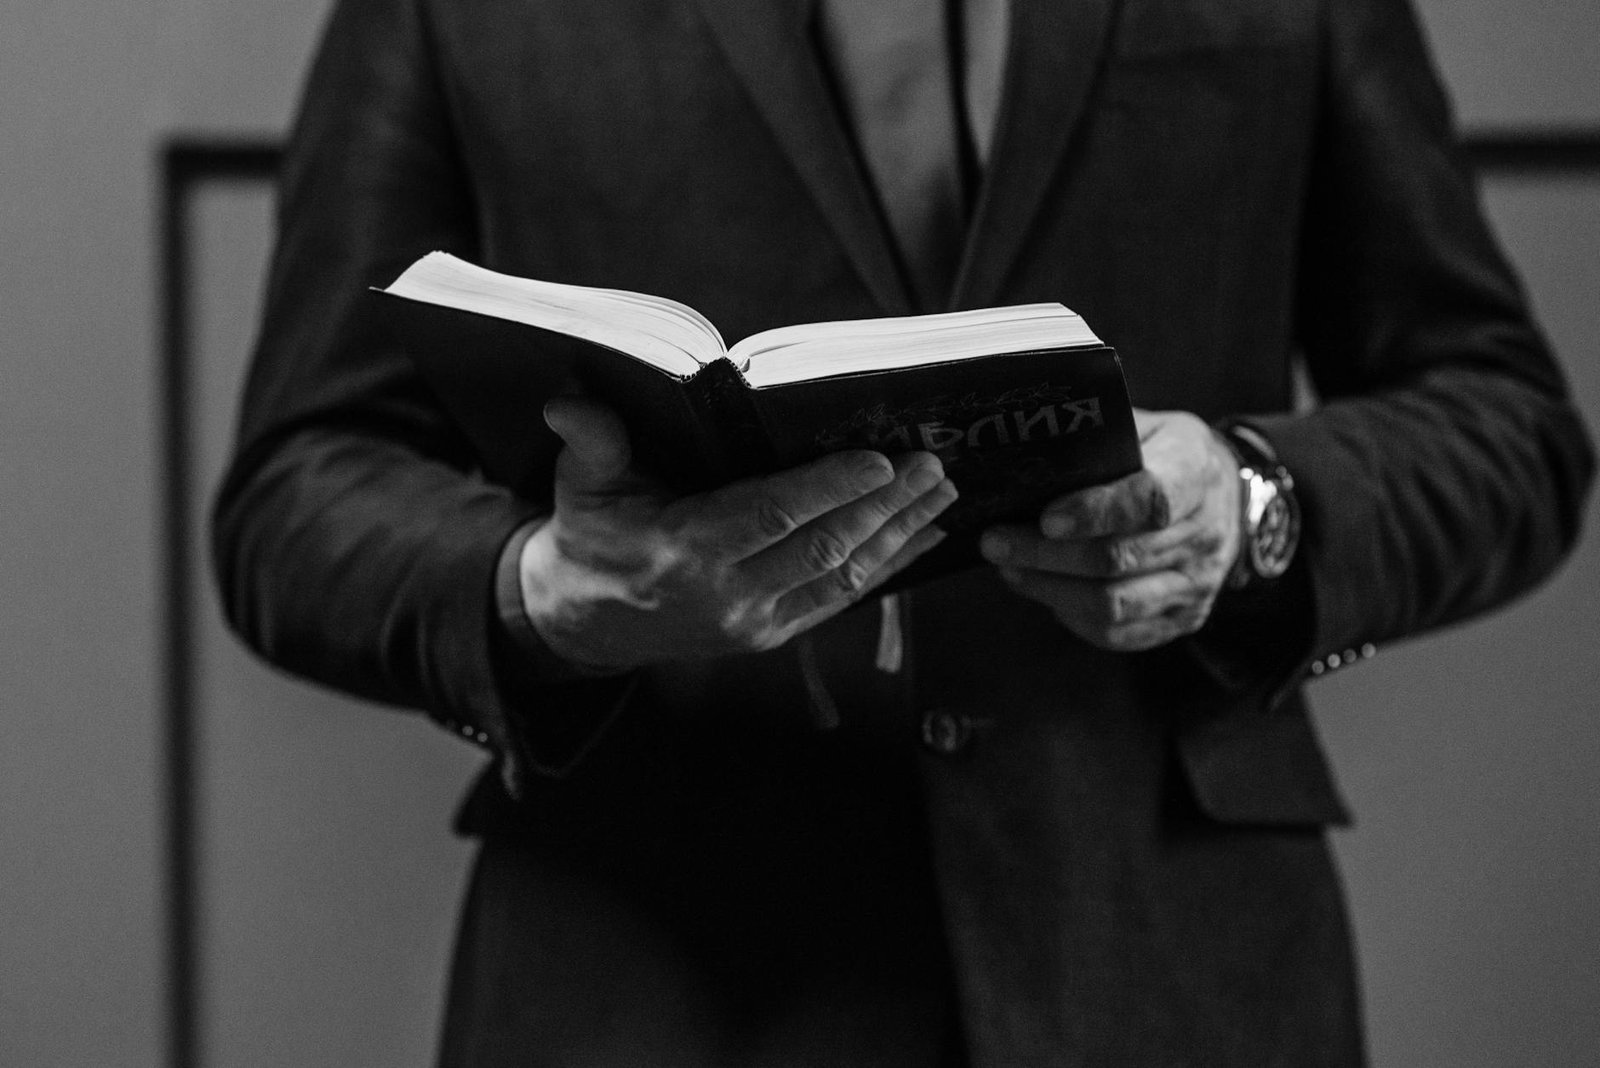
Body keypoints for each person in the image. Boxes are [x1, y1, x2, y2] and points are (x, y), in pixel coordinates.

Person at [212, 0, 1593, 1064]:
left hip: (1173, 967)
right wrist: (551, 593)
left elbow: (1507, 419)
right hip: (650, 979)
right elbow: (298, 491)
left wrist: (1256, 509)